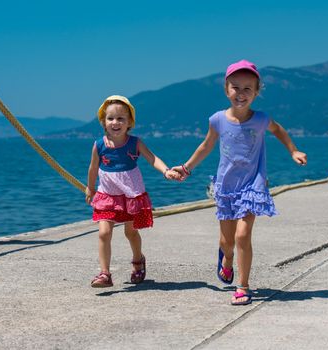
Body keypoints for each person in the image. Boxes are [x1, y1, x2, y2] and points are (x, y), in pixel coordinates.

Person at [173, 60, 307, 305]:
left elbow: (279, 131)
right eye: (236, 87)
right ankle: (226, 258)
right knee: (227, 241)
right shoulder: (217, 120)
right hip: (226, 187)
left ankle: (243, 286)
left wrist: (293, 151)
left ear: (257, 92)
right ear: (227, 90)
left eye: (248, 88)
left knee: (243, 235)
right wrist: (186, 168)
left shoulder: (261, 119)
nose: (241, 93)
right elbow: (206, 146)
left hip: (252, 185)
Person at [86, 95, 181, 288]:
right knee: (104, 232)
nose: (115, 122)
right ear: (103, 121)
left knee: (131, 232)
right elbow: (93, 168)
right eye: (111, 118)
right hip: (107, 195)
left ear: (129, 122)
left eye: (121, 118)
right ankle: (105, 273)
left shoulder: (134, 143)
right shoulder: (99, 145)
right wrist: (90, 187)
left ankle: (138, 261)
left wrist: (166, 171)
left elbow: (152, 158)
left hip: (130, 194)